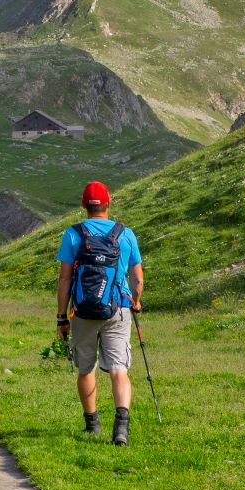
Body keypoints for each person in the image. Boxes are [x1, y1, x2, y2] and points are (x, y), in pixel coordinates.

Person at [56, 180, 143, 446]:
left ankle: (92, 425)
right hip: (117, 310)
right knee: (119, 370)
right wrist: (136, 301)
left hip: (82, 313)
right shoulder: (125, 234)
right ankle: (121, 429)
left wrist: (62, 317)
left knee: (86, 369)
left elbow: (65, 280)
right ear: (109, 202)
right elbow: (137, 278)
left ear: (84, 205)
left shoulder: (73, 234)